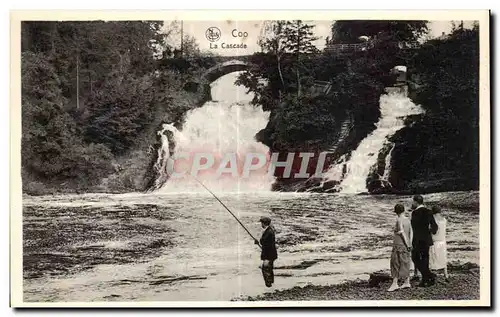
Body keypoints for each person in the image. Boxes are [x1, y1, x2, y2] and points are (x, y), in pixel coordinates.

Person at [410, 195, 439, 287]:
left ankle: (428, 276)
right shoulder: (429, 211)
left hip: (418, 239)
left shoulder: (415, 213)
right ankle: (426, 279)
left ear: (416, 202)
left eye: (413, 202)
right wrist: (429, 232)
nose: (412, 203)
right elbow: (435, 227)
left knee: (415, 257)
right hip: (426, 239)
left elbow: (413, 228)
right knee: (425, 258)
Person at [388, 204, 413, 292]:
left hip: (399, 244)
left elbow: (402, 233)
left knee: (395, 263)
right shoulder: (408, 220)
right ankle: (407, 281)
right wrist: (410, 243)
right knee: (405, 262)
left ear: (396, 212)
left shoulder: (399, 220)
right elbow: (411, 232)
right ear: (403, 210)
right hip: (406, 244)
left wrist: (407, 244)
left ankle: (395, 283)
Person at [254, 216, 278, 287]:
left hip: (268, 255)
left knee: (265, 269)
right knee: (269, 269)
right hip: (271, 254)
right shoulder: (270, 230)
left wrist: (258, 242)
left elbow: (264, 242)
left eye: (261, 223)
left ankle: (269, 286)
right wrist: (259, 242)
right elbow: (266, 243)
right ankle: (271, 284)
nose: (261, 224)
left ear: (264, 223)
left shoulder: (269, 232)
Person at [429, 206, 449, 282]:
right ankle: (446, 275)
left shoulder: (433, 220)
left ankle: (431, 275)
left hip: (434, 241)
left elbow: (432, 231)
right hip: (442, 241)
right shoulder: (444, 220)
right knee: (443, 258)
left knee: (431, 259)